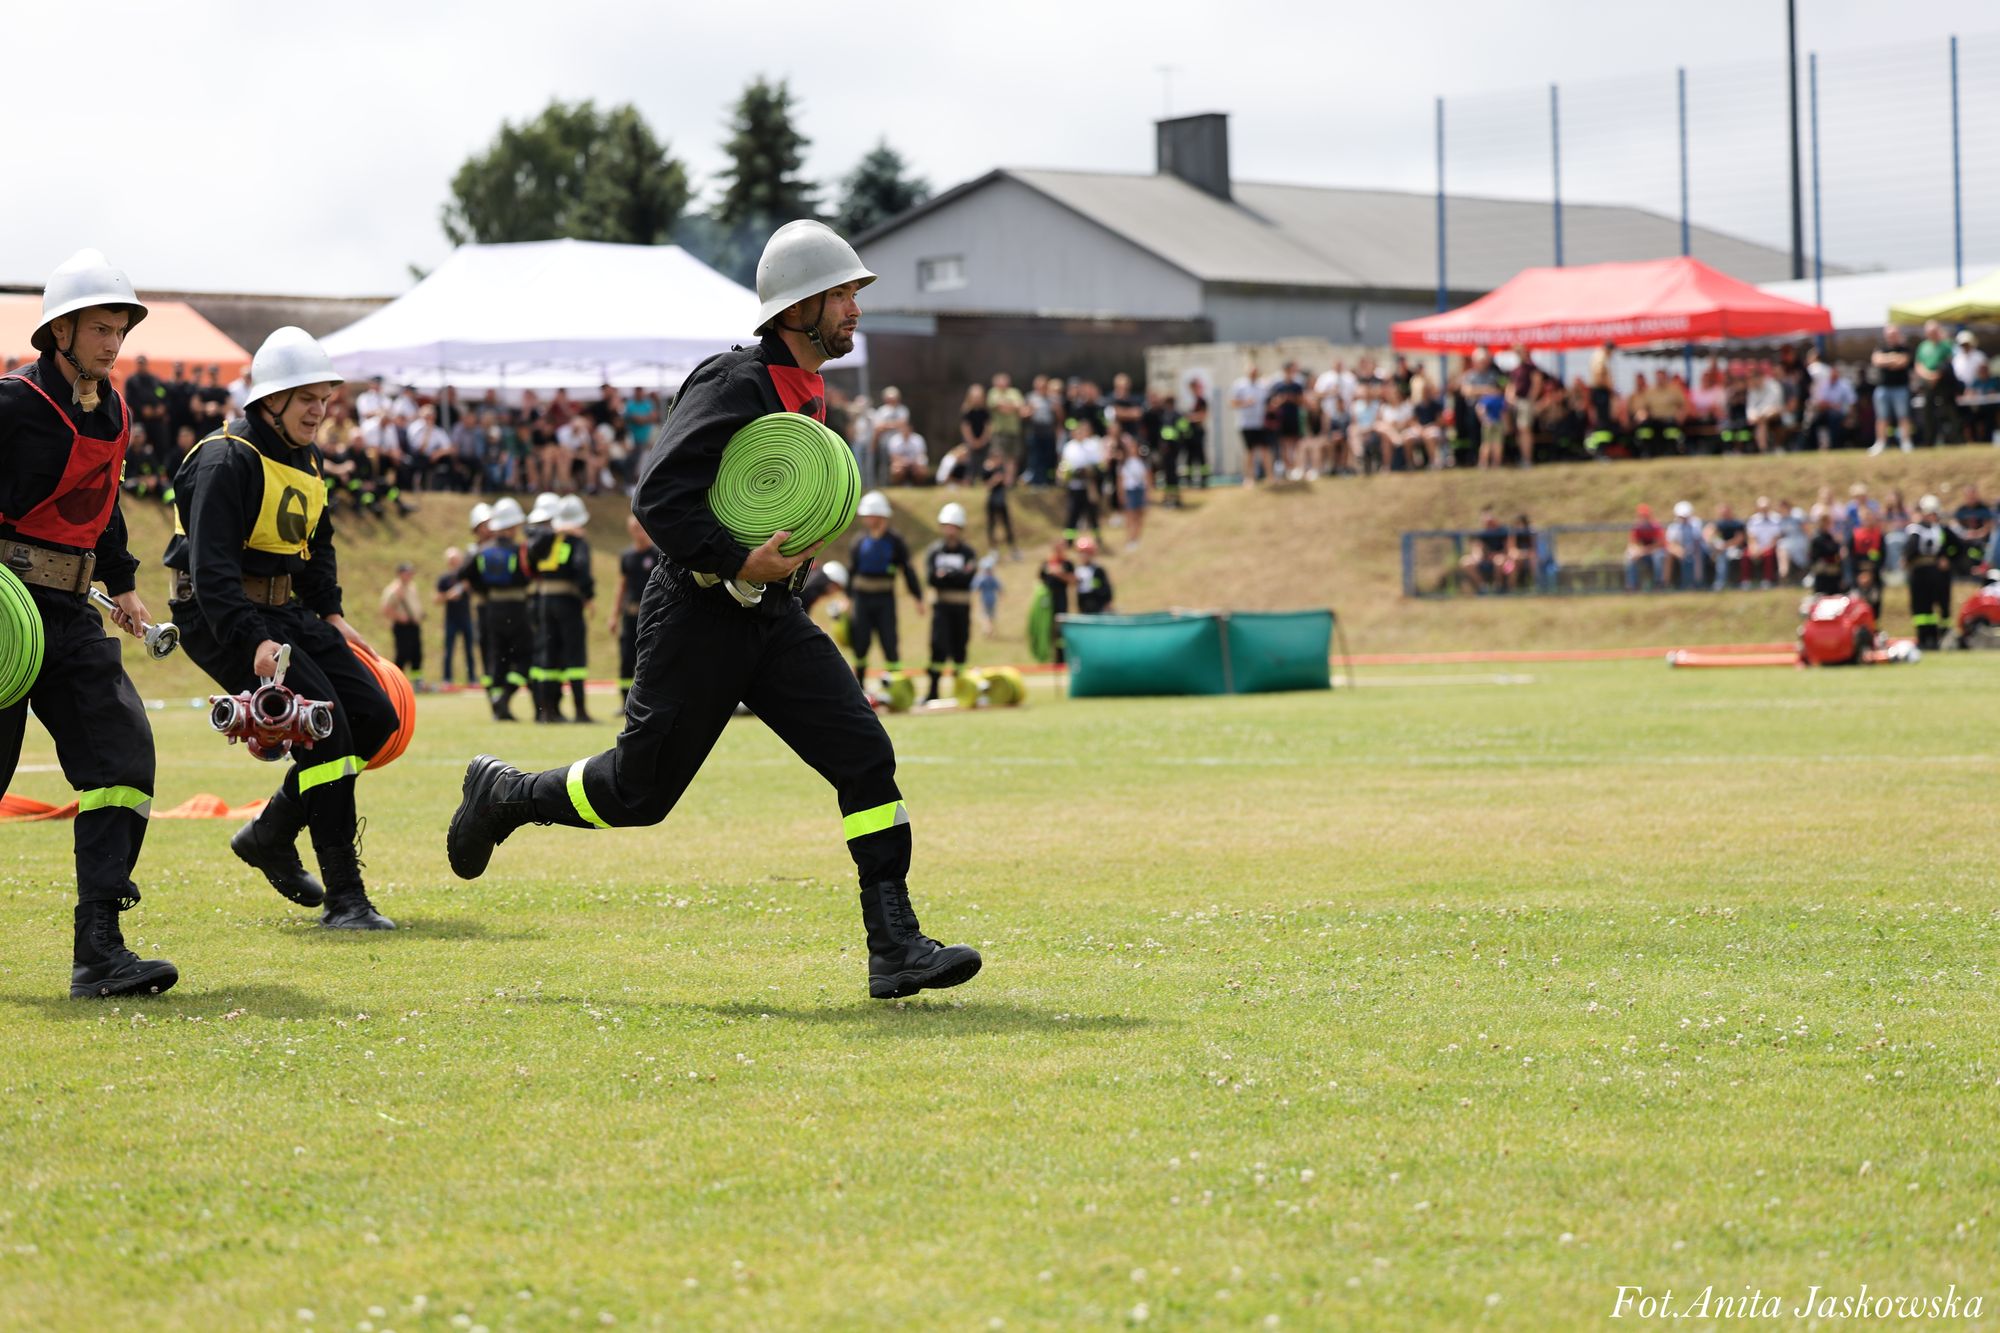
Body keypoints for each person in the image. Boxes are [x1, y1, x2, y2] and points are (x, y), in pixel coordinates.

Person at [445, 218, 979, 1001]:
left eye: (855, 294)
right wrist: (736, 560)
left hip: (770, 616)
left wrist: (789, 570)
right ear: (797, 308)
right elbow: (656, 497)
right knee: (638, 794)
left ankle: (895, 945)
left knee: (864, 752)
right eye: (842, 295)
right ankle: (506, 794)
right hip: (696, 613)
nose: (855, 309)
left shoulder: (809, 388)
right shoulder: (735, 382)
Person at [164, 327, 398, 930]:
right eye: (306, 399)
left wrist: (334, 615)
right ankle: (347, 898)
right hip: (217, 615)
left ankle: (269, 836)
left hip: (282, 612)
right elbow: (209, 571)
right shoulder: (225, 459)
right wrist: (252, 640)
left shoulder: (307, 459)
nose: (319, 411)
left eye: (325, 399)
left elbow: (316, 542)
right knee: (326, 732)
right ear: (270, 401)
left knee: (375, 719)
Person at [0, 250, 177, 997]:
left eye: (120, 328)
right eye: (99, 328)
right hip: (5, 613)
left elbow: (99, 506)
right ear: (60, 331)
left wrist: (125, 582)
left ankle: (99, 949)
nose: (112, 342)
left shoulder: (115, 410)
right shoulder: (10, 405)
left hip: (72, 614)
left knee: (123, 759)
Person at [457, 496, 533, 720]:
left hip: (491, 611)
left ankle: (497, 706)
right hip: (517, 609)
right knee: (527, 658)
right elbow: (528, 574)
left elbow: (462, 573)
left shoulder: (481, 551)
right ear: (511, 526)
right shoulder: (520, 550)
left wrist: (483, 587)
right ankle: (506, 697)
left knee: (496, 660)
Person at [847, 489, 925, 689]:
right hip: (861, 600)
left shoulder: (895, 542)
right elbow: (851, 572)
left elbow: (907, 570)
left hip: (884, 599)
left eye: (870, 515)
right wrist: (848, 599)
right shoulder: (859, 541)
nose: (867, 519)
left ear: (881, 516)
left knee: (889, 641)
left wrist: (917, 596)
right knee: (861, 643)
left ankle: (895, 687)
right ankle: (860, 688)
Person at [528, 494, 596, 724]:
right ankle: (580, 711)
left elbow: (531, 553)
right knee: (574, 655)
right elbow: (581, 567)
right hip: (568, 601)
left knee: (549, 653)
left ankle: (547, 711)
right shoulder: (577, 542)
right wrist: (588, 596)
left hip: (545, 602)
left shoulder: (548, 539)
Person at [922, 502, 978, 704]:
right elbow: (931, 578)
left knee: (960, 647)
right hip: (941, 607)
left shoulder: (968, 553)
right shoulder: (935, 551)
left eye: (954, 526)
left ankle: (961, 690)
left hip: (961, 607)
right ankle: (933, 690)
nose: (950, 530)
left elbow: (968, 579)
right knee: (938, 646)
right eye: (946, 525)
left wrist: (947, 576)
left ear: (960, 528)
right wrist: (956, 575)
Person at [609, 512, 657, 712]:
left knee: (649, 660)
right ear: (631, 531)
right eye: (636, 529)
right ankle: (624, 703)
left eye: (642, 528)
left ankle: (648, 703)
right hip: (630, 615)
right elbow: (621, 586)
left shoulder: (657, 555)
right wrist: (614, 614)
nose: (640, 533)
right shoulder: (627, 556)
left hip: (652, 616)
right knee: (626, 658)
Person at [1904, 495, 1964, 649]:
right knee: (1921, 608)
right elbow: (1910, 550)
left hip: (1938, 574)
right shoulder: (1915, 529)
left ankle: (1944, 637)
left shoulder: (1942, 530)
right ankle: (1924, 638)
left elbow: (1958, 547)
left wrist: (1948, 559)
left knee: (1942, 605)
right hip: (1919, 573)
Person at [1868, 326, 1915, 454]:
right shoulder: (1880, 347)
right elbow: (1877, 360)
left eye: (1894, 334)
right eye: (1890, 335)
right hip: (1883, 388)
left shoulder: (1905, 348)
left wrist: (1886, 360)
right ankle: (1880, 443)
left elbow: (1903, 362)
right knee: (1881, 417)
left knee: (1903, 416)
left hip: (1901, 388)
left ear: (1898, 335)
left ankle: (1906, 442)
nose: (1892, 337)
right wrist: (1893, 359)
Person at [1059, 415, 1105, 542]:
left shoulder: (1091, 446)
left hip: (1088, 485)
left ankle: (1097, 538)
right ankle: (1069, 541)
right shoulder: (1069, 447)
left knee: (1092, 514)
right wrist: (1069, 474)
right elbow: (1064, 466)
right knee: (1073, 514)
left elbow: (1098, 465)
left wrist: (1088, 471)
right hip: (1074, 485)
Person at [437, 543, 477, 686]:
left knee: (469, 651)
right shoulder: (444, 578)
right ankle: (447, 679)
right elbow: (437, 599)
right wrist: (449, 595)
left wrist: (467, 586)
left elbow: (475, 592)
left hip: (466, 617)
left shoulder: (466, 577)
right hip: (451, 619)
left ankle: (472, 679)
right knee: (449, 650)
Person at [379, 561, 424, 685]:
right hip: (402, 627)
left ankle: (417, 681)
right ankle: (397, 682)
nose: (409, 576)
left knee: (417, 654)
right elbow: (386, 609)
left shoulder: (412, 587)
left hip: (414, 625)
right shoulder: (394, 589)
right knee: (402, 654)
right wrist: (399, 617)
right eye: (407, 573)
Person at [1073, 534, 1115, 614]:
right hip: (1083, 603)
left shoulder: (1098, 570)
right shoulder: (1077, 570)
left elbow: (1105, 588)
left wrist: (1107, 602)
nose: (1084, 555)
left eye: (1087, 553)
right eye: (1081, 553)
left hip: (1096, 604)